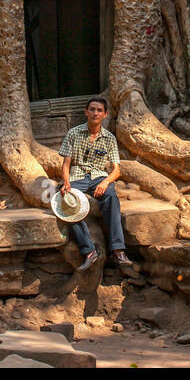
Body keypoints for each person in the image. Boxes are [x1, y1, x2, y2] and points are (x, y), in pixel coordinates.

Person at [58, 95, 133, 271]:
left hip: (99, 176)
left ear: (105, 114)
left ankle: (118, 250)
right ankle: (89, 251)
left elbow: (116, 170)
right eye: (92, 109)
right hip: (77, 176)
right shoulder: (74, 133)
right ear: (86, 112)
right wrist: (66, 183)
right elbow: (66, 165)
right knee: (66, 202)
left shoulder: (109, 138)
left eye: (99, 110)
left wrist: (105, 182)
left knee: (111, 197)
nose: (95, 113)